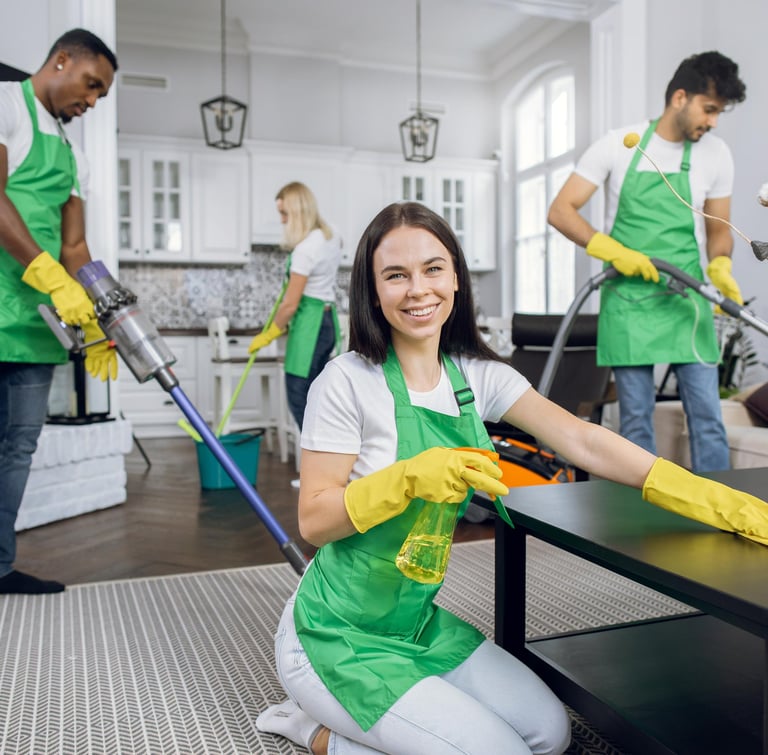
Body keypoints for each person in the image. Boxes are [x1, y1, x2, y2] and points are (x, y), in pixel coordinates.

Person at [255, 201, 768, 755]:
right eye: (395, 275)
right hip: (333, 637)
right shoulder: (347, 380)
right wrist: (406, 478)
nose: (418, 289)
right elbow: (314, 520)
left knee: (549, 734)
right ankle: (311, 730)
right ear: (372, 290)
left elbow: (584, 441)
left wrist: (715, 498)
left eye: (432, 268)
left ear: (455, 275)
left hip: (414, 624)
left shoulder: (477, 376)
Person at [548, 51, 747, 474]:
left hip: (685, 299)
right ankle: (643, 517)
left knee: (708, 419)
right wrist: (612, 251)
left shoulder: (716, 154)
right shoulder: (619, 145)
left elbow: (718, 230)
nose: (712, 121)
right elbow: (561, 210)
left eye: (719, 113)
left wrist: (721, 266)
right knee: (636, 421)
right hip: (629, 298)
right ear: (680, 97)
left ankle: (721, 511)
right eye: (709, 109)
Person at [0, 29, 119, 594]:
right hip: (8, 296)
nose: (92, 100)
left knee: (19, 445)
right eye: (91, 84)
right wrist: (48, 275)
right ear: (61, 60)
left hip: (36, 322)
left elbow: (76, 248)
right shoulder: (6, 104)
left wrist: (104, 311)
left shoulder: (75, 153)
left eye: (101, 94)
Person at [248, 181, 342, 486]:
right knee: (317, 397)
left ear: (297, 210)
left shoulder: (306, 249)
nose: (282, 220)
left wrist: (270, 333)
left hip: (310, 324)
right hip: (326, 322)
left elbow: (290, 303)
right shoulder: (330, 237)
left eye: (285, 213)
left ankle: (318, 473)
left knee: (299, 394)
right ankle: (329, 469)